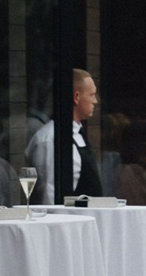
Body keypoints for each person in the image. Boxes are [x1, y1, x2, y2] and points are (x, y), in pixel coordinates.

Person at [26, 68, 102, 202]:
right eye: (92, 95)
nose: (95, 101)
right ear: (76, 97)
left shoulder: (78, 133)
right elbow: (49, 196)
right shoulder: (50, 138)